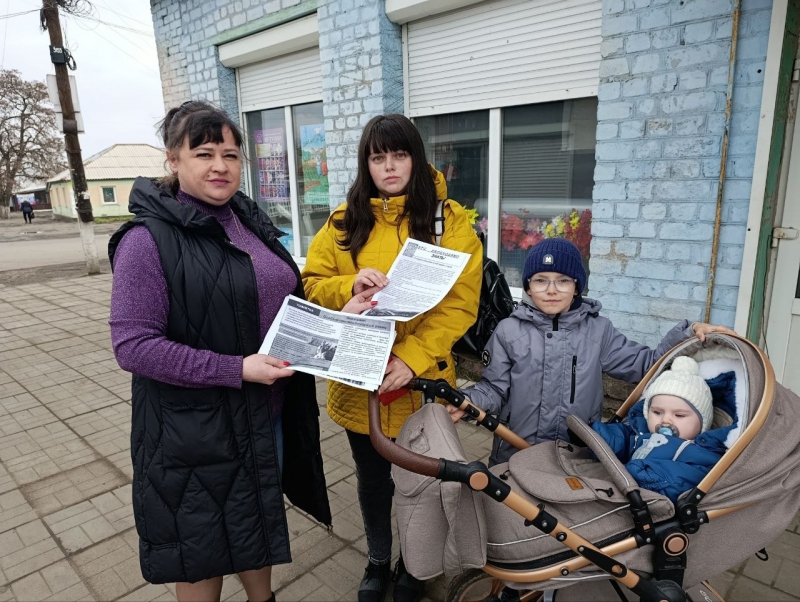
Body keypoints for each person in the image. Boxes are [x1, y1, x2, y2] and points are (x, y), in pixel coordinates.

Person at [108, 101, 374, 602]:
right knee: (201, 546)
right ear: (173, 160)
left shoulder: (247, 221)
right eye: (204, 153)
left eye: (230, 155)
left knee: (255, 525)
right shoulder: (147, 241)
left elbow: (275, 306)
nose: (220, 166)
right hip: (191, 432)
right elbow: (133, 347)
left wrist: (342, 314)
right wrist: (236, 368)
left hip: (262, 417)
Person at [302, 114, 483, 602]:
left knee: (420, 484)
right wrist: (348, 287)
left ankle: (414, 566)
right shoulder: (343, 222)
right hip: (358, 378)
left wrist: (411, 357)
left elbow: (459, 305)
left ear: (415, 159)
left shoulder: (448, 221)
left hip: (420, 382)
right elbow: (311, 284)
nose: (389, 166)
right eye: (377, 157)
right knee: (372, 480)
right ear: (366, 164)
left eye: (399, 155)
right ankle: (379, 559)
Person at [449, 237, 737, 466]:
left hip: (577, 456)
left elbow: (647, 365)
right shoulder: (508, 331)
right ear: (528, 286)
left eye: (563, 280)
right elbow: (494, 388)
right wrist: (468, 401)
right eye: (541, 280)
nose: (551, 289)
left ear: (577, 287)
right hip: (515, 452)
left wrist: (688, 333)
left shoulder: (598, 331)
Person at [591, 356, 724, 503]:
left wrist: (646, 474)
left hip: (649, 497)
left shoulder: (698, 451)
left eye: (679, 415)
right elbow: (625, 440)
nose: (665, 420)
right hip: (625, 487)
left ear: (702, 423)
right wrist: (604, 437)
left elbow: (688, 479)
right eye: (657, 412)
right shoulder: (642, 434)